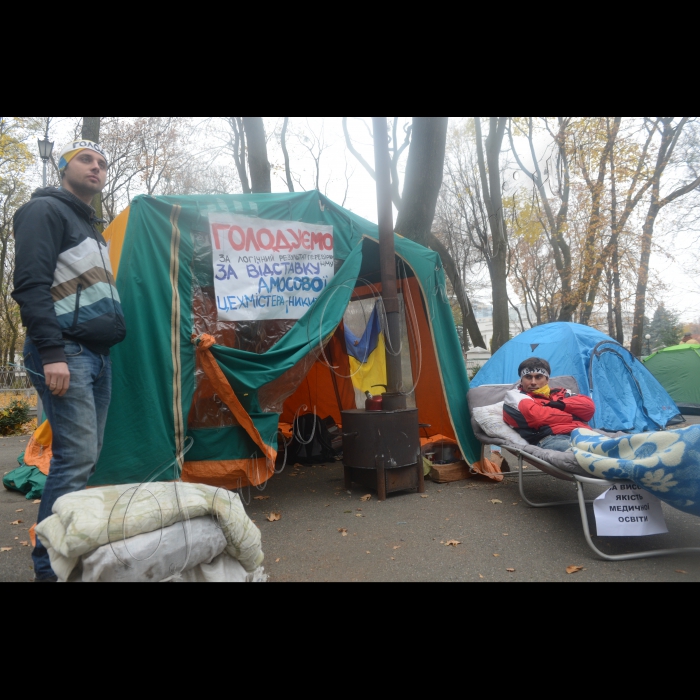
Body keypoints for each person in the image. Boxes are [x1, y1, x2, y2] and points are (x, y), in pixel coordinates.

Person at [12, 140, 126, 582]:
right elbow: (30, 286)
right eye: (85, 160)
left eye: (101, 163)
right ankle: (50, 569)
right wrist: (53, 352)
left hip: (97, 357)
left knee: (85, 458)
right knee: (73, 460)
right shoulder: (44, 212)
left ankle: (67, 556)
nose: (95, 167)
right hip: (65, 353)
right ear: (63, 169)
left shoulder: (93, 229)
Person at [503, 358, 595, 453]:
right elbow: (536, 417)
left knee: (605, 446)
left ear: (547, 379)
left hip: (582, 432)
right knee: (587, 452)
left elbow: (589, 408)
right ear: (521, 380)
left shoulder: (559, 393)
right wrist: (573, 415)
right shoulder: (515, 396)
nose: (533, 382)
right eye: (528, 377)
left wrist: (554, 405)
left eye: (538, 377)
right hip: (549, 438)